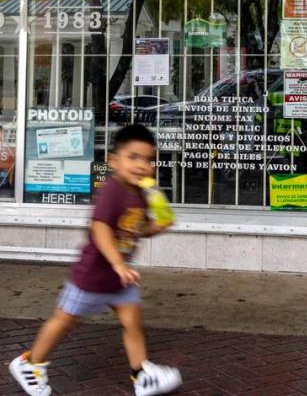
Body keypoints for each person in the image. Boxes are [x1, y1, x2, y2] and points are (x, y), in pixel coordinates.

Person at [9, 124, 182, 396]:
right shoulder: (113, 191)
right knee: (64, 320)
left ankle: (142, 374)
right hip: (94, 276)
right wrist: (118, 264)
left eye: (148, 160)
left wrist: (161, 224)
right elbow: (100, 228)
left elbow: (139, 229)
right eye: (133, 157)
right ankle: (29, 364)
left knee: (132, 322)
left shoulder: (140, 194)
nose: (141, 165)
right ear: (113, 160)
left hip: (119, 280)